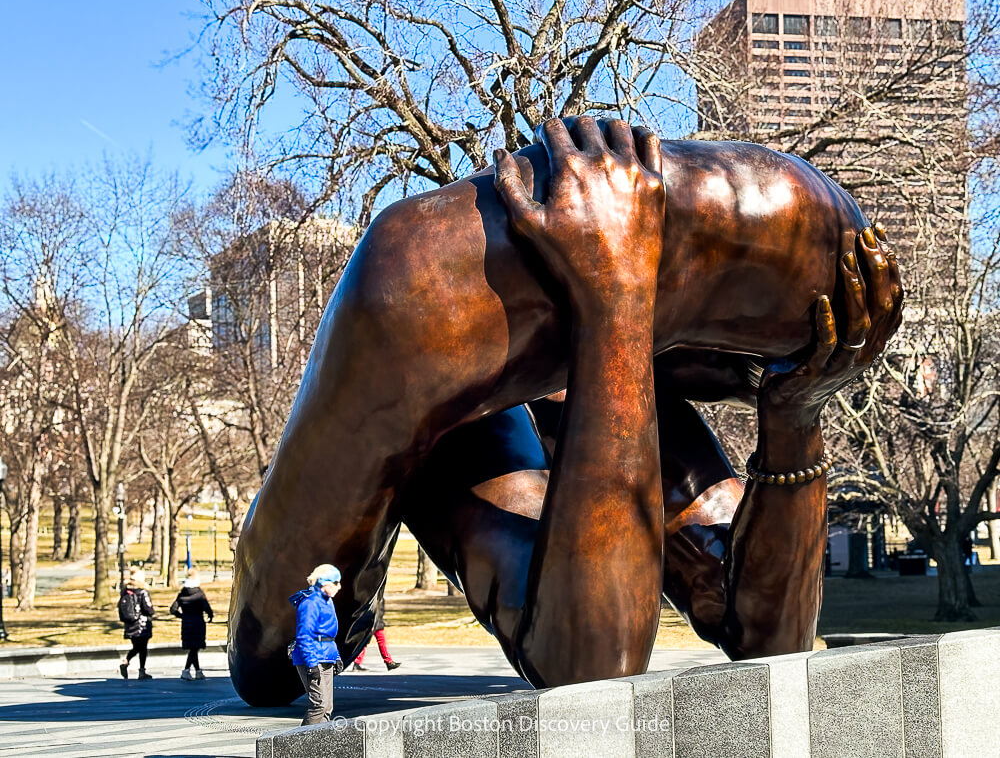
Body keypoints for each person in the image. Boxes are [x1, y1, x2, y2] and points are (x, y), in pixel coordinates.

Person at [228, 117, 903, 706]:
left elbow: (771, 645)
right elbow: (592, 667)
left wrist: (795, 414)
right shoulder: (465, 435)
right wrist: (616, 303)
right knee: (270, 666)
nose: (740, 379)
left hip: (554, 333)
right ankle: (343, 592)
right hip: (401, 375)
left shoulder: (642, 388)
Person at [289, 564, 345, 725]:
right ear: (324, 582)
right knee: (318, 705)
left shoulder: (327, 601)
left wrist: (337, 656)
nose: (339, 587)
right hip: (313, 657)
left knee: (327, 707)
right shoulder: (310, 603)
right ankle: (298, 746)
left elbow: (329, 635)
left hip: (327, 655)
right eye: (336, 582)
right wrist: (311, 664)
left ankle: (320, 746)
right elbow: (304, 636)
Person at [170, 569, 214, 680]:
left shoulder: (182, 594)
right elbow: (207, 608)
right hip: (198, 622)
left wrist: (182, 616)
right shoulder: (199, 594)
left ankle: (198, 671)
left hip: (187, 623)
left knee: (193, 648)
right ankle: (186, 670)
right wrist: (210, 616)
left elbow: (173, 609)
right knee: (195, 648)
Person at [119, 568, 155, 680]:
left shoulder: (125, 591)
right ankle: (142, 671)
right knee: (142, 648)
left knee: (136, 647)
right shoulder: (142, 592)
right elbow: (148, 609)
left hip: (130, 623)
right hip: (141, 624)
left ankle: (126, 661)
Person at [351, 595, 400, 671]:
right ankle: (388, 662)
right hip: (373, 624)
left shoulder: (372, 597)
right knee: (379, 642)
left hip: (373, 623)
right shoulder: (373, 597)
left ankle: (357, 663)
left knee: (365, 643)